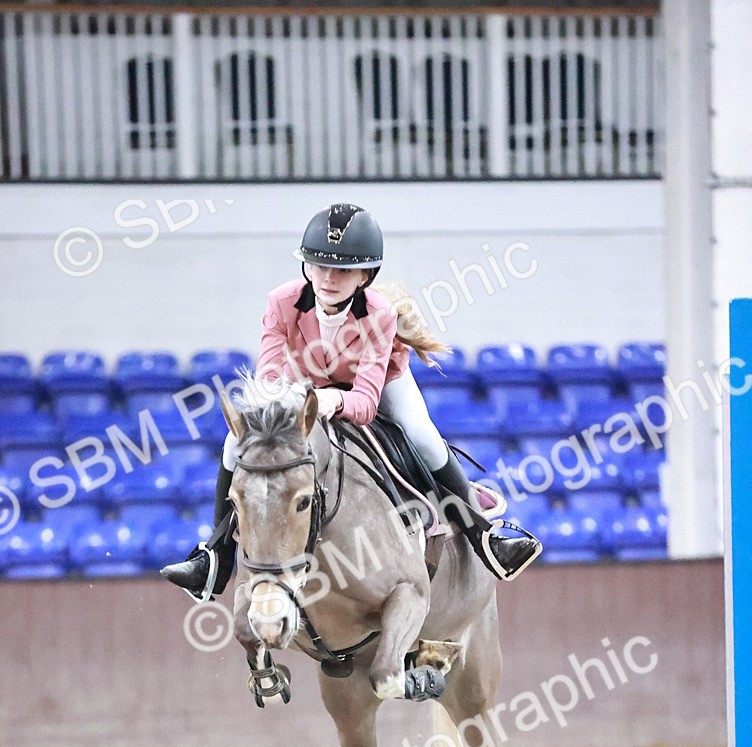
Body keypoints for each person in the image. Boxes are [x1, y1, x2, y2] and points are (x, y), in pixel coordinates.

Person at [161, 203, 542, 599]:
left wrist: (332, 401)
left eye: (342, 270)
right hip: (304, 386)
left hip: (379, 383)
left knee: (422, 435)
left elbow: (363, 404)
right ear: (306, 266)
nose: (327, 278)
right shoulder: (281, 302)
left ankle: (485, 536)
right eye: (319, 266)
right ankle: (216, 557)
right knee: (234, 441)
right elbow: (269, 377)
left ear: (364, 275)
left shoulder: (379, 314)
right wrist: (286, 405)